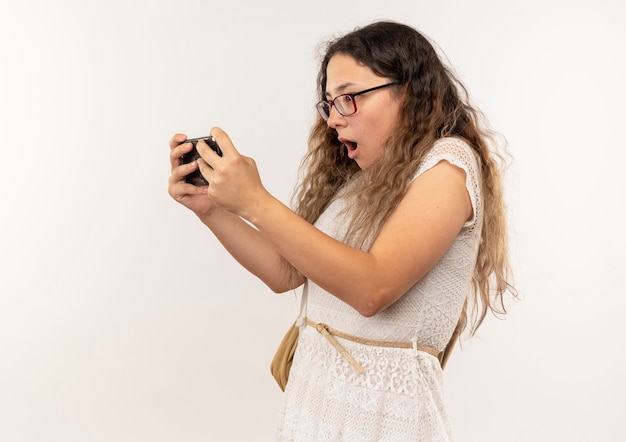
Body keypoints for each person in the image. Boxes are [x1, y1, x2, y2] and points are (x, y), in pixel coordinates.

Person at [168, 20, 515, 441]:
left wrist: (256, 201)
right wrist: (213, 210)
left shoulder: (448, 166)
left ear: (409, 90)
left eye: (349, 98)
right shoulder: (359, 176)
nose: (334, 118)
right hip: (316, 402)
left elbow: (373, 288)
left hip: (384, 418)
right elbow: (286, 272)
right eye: (329, 103)